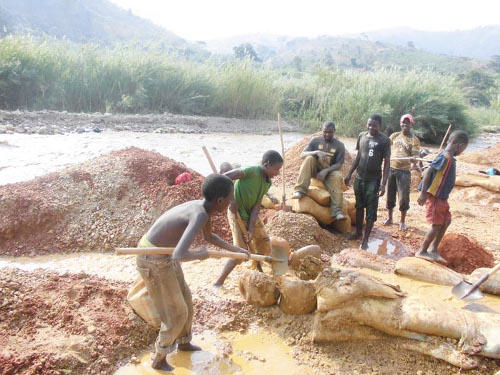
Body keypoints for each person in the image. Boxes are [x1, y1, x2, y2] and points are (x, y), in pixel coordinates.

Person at [135, 173, 250, 371]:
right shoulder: (200, 214)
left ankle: (184, 342)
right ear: (220, 200)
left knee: (187, 300)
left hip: (165, 254)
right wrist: (199, 254)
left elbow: (209, 236)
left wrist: (236, 250)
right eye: (230, 198)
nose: (232, 202)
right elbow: (181, 254)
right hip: (152, 257)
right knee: (177, 312)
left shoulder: (205, 208)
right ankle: (160, 357)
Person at [214, 150, 283, 288]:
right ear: (267, 164)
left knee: (263, 243)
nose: (278, 173)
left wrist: (251, 228)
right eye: (276, 169)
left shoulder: (267, 183)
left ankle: (277, 275)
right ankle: (219, 282)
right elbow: (224, 177)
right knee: (239, 251)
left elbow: (257, 206)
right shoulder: (252, 170)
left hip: (251, 214)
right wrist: (231, 200)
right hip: (236, 214)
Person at [415, 130, 468, 262]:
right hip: (436, 197)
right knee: (436, 224)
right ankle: (422, 250)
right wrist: (423, 193)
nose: (462, 152)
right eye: (463, 149)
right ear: (459, 146)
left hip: (443, 198)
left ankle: (433, 249)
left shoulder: (449, 157)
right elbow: (428, 171)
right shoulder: (445, 157)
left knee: (446, 221)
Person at [344, 114, 391, 250]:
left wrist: (383, 183)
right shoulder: (362, 136)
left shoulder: (384, 140)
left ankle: (365, 240)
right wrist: (349, 174)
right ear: (367, 124)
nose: (371, 127)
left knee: (371, 211)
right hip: (360, 178)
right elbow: (359, 156)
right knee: (359, 207)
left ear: (379, 126)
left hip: (373, 181)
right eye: (369, 124)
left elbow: (387, 163)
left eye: (374, 125)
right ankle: (358, 233)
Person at [291, 121, 347, 220]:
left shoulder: (339, 145)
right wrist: (317, 152)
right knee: (309, 158)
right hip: (315, 170)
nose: (327, 134)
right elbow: (302, 155)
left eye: (330, 132)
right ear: (322, 131)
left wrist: (326, 171)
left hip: (329, 172)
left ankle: (337, 211)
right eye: (325, 132)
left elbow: (339, 164)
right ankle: (300, 190)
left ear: (334, 131)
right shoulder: (315, 141)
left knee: (338, 177)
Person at [383, 114, 421, 231]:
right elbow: (386, 147)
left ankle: (402, 221)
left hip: (404, 172)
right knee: (390, 195)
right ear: (400, 123)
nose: (405, 125)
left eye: (408, 123)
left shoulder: (414, 140)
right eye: (403, 123)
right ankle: (390, 218)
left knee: (403, 197)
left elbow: (415, 156)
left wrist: (414, 160)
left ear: (411, 124)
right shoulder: (394, 136)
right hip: (391, 169)